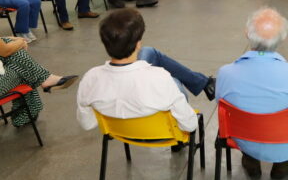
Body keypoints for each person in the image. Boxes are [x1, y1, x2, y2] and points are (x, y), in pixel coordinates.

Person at [77, 9, 210, 134]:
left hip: (119, 133)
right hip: (164, 134)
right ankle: (204, 83)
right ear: (138, 44)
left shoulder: (90, 78)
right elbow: (190, 125)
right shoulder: (161, 78)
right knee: (174, 82)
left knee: (149, 52)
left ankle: (204, 83)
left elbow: (88, 124)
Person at [216, 7, 288, 180]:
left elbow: (222, 109)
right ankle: (283, 164)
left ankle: (251, 159)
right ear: (283, 38)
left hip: (242, 138)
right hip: (285, 143)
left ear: (247, 33)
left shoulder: (225, 72)